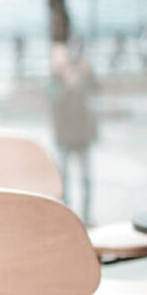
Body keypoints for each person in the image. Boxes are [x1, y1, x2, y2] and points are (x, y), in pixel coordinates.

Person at [48, 40, 98, 224]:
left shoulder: (79, 75)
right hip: (64, 138)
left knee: (86, 180)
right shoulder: (54, 81)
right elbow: (55, 103)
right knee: (64, 182)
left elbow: (94, 91)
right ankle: (67, 218)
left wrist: (86, 74)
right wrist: (68, 83)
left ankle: (87, 216)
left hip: (82, 136)